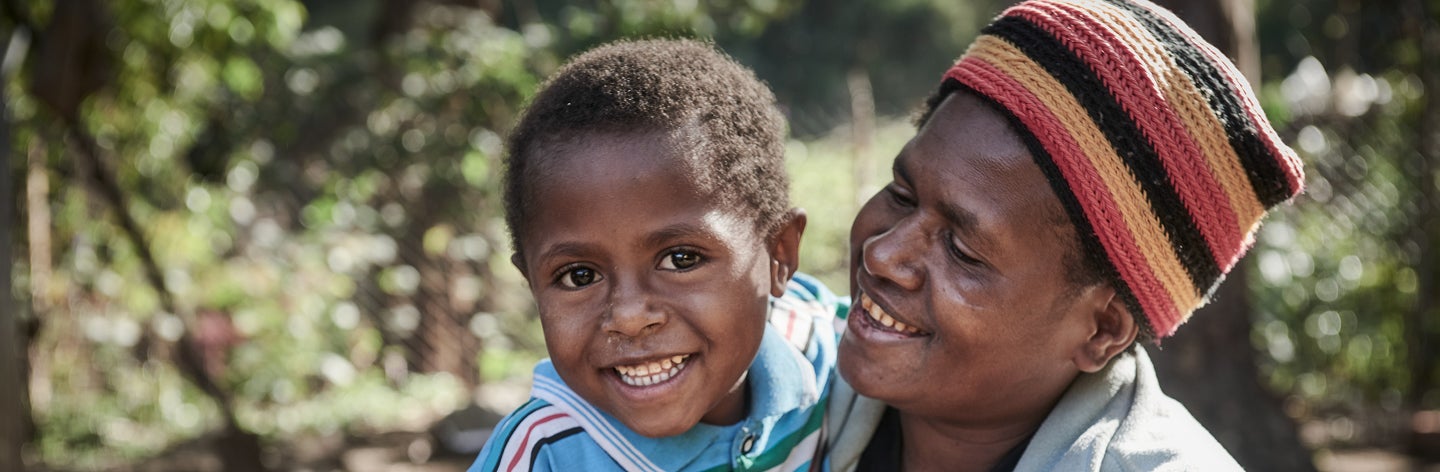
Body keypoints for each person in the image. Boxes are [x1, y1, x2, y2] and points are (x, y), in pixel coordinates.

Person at [823, 0, 1306, 470]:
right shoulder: (787, 385)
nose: (882, 254)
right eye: (902, 195)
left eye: (963, 251)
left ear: (1102, 331)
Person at [468, 39, 841, 472]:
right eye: (579, 276)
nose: (628, 316)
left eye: (681, 259)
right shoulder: (544, 453)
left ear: (779, 256)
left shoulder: (826, 348)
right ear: (532, 283)